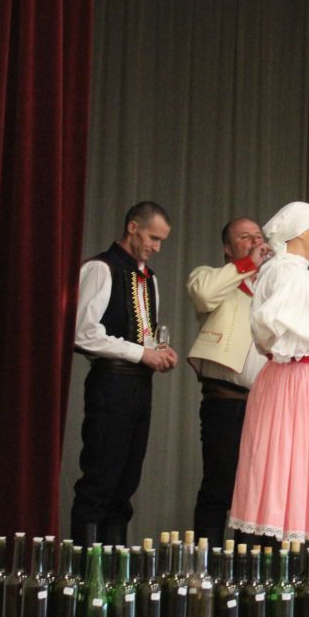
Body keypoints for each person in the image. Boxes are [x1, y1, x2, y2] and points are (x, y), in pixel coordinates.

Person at [228, 202, 309, 544]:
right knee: (294, 461)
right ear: (299, 233)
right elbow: (279, 331)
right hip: (299, 379)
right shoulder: (289, 273)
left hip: (306, 379)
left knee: (299, 463)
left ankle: (293, 544)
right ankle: (285, 549)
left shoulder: (294, 272)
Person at [71, 202, 179, 548]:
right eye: (153, 238)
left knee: (125, 482)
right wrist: (141, 353)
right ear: (133, 227)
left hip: (139, 384)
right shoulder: (102, 268)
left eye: (161, 241)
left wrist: (158, 352)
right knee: (100, 479)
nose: (157, 247)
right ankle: (86, 568)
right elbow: (82, 334)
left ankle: (115, 566)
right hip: (110, 382)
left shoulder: (149, 278)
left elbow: (144, 334)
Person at [185, 217, 271, 546]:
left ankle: (250, 566)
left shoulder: (273, 288)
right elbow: (204, 295)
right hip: (226, 401)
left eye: (259, 236)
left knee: (260, 491)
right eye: (245, 237)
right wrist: (246, 265)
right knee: (219, 487)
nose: (255, 242)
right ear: (227, 248)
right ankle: (206, 566)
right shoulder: (210, 276)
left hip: (267, 404)